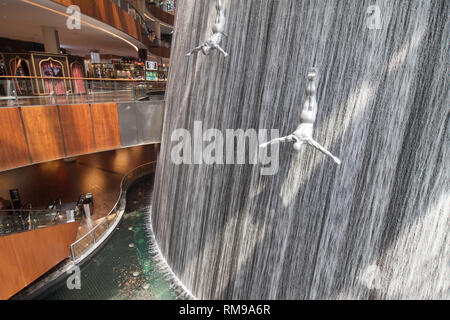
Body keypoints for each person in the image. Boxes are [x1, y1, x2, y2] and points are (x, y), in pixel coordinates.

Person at [260, 69, 341, 165]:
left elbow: (320, 148)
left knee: (311, 97)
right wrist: (265, 144)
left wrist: (333, 157)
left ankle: (312, 80)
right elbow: (278, 140)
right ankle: (311, 80)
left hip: (310, 119)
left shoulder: (306, 139)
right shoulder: (293, 137)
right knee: (309, 97)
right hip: (303, 117)